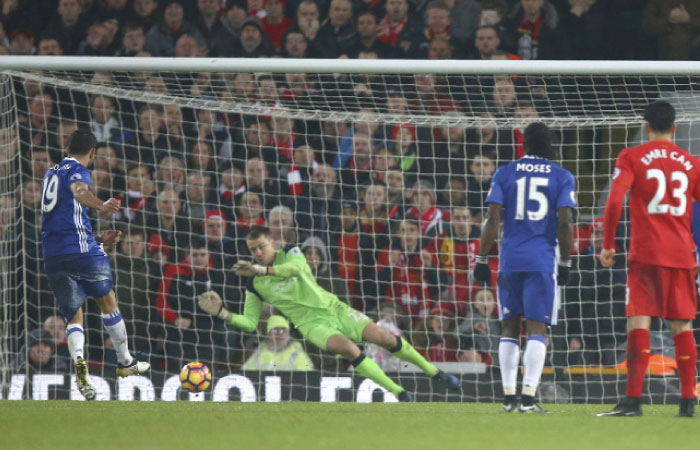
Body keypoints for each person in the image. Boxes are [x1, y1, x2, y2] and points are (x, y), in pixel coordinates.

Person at [198, 226, 461, 401]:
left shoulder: (291, 252)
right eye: (253, 249)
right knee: (350, 349)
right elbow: (249, 322)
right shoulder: (252, 284)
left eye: (261, 247)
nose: (257, 253)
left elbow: (297, 270)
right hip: (312, 325)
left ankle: (434, 373)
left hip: (336, 308)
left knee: (385, 337)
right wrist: (221, 312)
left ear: (272, 243)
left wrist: (261, 270)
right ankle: (400, 393)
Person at [598, 100, 699, 418]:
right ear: (675, 127)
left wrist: (608, 243)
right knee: (682, 326)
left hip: (646, 254)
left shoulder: (632, 156)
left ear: (645, 127)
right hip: (682, 254)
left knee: (638, 321)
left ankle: (632, 400)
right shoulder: (693, 163)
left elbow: (615, 200)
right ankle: (687, 403)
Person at [472, 122, 575, 413]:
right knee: (537, 328)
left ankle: (507, 397)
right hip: (542, 260)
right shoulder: (562, 176)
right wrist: (565, 262)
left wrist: (481, 258)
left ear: (524, 145)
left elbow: (492, 220)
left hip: (510, 259)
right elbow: (566, 222)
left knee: (508, 326)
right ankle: (529, 397)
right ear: (550, 145)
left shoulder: (504, 172)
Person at [40, 130, 149, 400]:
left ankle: (79, 360)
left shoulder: (49, 173)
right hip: (80, 250)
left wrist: (98, 240)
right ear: (92, 153)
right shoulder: (78, 170)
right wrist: (101, 205)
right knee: (106, 299)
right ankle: (125, 362)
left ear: (68, 146)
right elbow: (79, 192)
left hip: (54, 254)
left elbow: (65, 218)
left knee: (74, 313)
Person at [242, 315, 315, 371]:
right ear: (267, 334)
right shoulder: (259, 352)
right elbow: (245, 372)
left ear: (288, 334)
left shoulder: (296, 353)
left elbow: (307, 377)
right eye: (274, 331)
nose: (279, 334)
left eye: (283, 330)